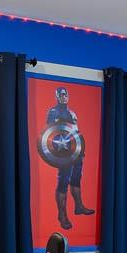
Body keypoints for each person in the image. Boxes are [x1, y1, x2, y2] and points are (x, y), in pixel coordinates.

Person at [45, 87, 94, 230]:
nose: (64, 96)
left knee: (76, 178)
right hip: (63, 152)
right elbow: (50, 131)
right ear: (57, 96)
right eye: (61, 94)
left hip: (75, 151)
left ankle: (78, 206)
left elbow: (76, 131)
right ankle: (62, 215)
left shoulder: (72, 113)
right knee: (63, 182)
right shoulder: (53, 112)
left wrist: (81, 149)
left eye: (65, 94)